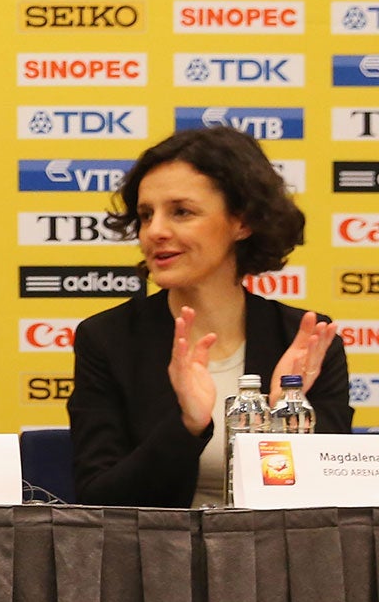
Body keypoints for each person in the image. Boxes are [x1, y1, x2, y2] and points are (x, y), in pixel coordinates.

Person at [69, 126, 347, 507]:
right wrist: (186, 427)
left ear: (242, 221)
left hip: (273, 558)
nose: (156, 232)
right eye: (146, 215)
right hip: (156, 558)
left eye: (181, 212)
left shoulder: (306, 342)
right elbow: (98, 499)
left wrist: (282, 425)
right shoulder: (107, 339)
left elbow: (333, 502)